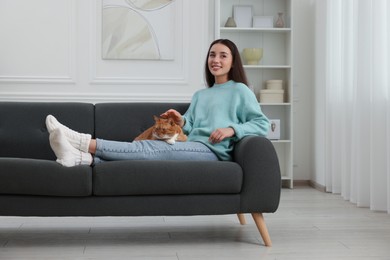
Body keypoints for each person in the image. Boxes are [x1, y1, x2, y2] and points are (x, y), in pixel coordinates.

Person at [47, 39, 270, 167]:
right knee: (147, 152)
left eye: (223, 56)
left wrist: (231, 129)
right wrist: (180, 120)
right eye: (212, 55)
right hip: (189, 145)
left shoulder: (240, 91)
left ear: (232, 62)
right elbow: (191, 127)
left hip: (211, 151)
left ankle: (80, 141)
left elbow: (262, 124)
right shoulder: (202, 95)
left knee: (149, 147)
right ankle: (81, 158)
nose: (216, 60)